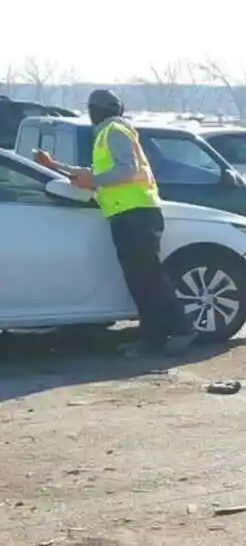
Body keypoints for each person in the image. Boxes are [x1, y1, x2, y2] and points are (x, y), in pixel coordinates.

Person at [34, 90, 190, 354]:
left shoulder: (114, 131)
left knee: (146, 279)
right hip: (129, 214)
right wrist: (54, 165)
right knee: (142, 279)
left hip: (135, 215)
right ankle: (160, 336)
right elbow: (97, 173)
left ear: (97, 110)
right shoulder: (108, 133)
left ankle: (175, 332)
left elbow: (126, 170)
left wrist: (93, 181)